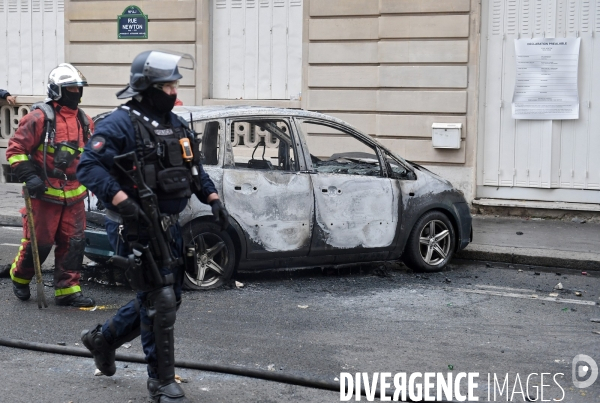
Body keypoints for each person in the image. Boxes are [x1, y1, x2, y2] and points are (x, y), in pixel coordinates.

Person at [77, 50, 229, 403]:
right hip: (134, 227)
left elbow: (194, 169)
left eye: (175, 84)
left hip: (170, 227)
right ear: (146, 88)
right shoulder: (120, 123)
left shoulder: (176, 124)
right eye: (168, 85)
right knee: (159, 300)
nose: (174, 90)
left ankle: (102, 340)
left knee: (168, 298)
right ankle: (160, 383)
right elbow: (88, 167)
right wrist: (121, 201)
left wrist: (213, 199)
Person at [5, 63, 96, 307]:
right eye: (71, 88)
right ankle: (20, 278)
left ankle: (68, 291)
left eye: (78, 88)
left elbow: (92, 155)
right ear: (57, 90)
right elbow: (15, 150)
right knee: (40, 243)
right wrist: (29, 176)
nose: (76, 93)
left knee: (74, 243)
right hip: (43, 193)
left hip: (75, 195)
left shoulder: (84, 120)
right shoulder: (39, 117)